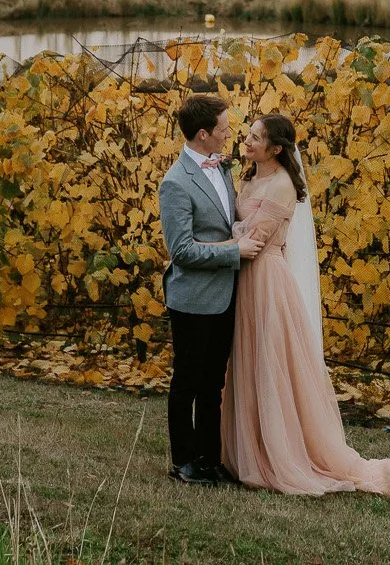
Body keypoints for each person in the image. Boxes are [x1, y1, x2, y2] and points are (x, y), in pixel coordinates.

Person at [220, 112, 390, 499]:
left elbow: (255, 240)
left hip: (264, 280)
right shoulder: (250, 176)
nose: (246, 140)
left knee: (268, 362)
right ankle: (248, 444)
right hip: (243, 281)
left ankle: (278, 451)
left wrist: (204, 246)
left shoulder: (280, 185)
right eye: (247, 133)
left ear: (275, 149)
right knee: (246, 362)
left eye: (255, 137)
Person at [158, 93, 260, 486]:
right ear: (203, 134)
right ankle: (183, 461)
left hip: (225, 295)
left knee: (214, 382)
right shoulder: (175, 183)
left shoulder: (221, 167)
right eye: (223, 128)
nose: (229, 133)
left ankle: (210, 458)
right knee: (187, 381)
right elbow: (181, 251)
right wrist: (235, 251)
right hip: (193, 298)